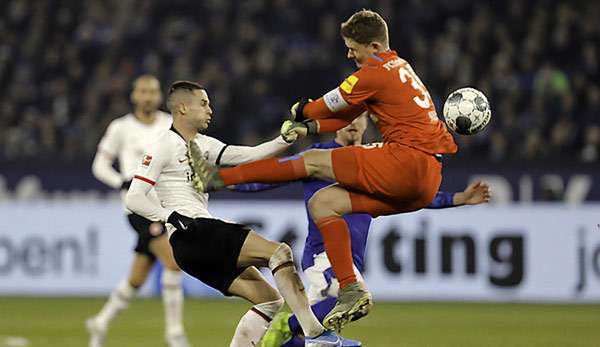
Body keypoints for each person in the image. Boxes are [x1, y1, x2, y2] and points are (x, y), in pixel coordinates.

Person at [187, 9, 459, 331]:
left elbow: (325, 105)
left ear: (373, 46)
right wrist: (310, 127)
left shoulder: (374, 71)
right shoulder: (399, 68)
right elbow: (344, 114)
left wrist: (301, 111)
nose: (349, 53)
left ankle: (216, 178)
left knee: (312, 162)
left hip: (407, 160)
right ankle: (351, 288)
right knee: (323, 204)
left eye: (352, 47)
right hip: (426, 176)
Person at [125, 80, 361, 347]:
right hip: (194, 231)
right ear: (182, 108)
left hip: (191, 247)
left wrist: (283, 139)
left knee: (270, 299)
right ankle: (316, 336)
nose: (210, 109)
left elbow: (251, 155)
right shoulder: (164, 145)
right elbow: (133, 198)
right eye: (203, 104)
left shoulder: (205, 145)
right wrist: (170, 216)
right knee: (279, 253)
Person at [233, 115, 490, 346]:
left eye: (359, 117)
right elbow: (270, 177)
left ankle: (285, 333)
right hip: (323, 255)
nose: (353, 122)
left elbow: (417, 196)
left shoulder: (377, 161)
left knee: (315, 336)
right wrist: (228, 182)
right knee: (356, 300)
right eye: (345, 118)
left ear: (367, 121)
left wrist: (459, 199)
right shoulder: (319, 156)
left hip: (351, 257)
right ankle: (285, 325)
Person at [86, 75, 191, 347]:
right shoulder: (121, 128)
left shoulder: (170, 124)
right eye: (143, 91)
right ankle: (175, 333)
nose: (147, 96)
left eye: (153, 91)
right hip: (138, 207)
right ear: (134, 95)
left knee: (137, 277)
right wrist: (120, 181)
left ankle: (100, 322)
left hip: (166, 205)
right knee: (173, 259)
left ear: (159, 96)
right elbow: (100, 165)